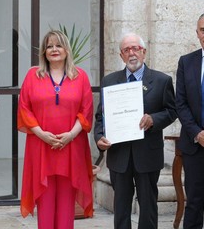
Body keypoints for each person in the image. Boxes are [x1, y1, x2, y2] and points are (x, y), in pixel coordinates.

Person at [94, 32, 177, 229]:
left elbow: (172, 111)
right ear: (121, 55)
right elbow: (100, 117)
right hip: (119, 155)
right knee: (121, 207)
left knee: (148, 206)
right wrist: (99, 137)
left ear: (144, 52)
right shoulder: (109, 81)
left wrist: (153, 120)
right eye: (126, 50)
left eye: (136, 49)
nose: (132, 53)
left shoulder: (161, 80)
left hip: (147, 154)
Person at [18, 30, 93, 229]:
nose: (54, 50)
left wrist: (71, 135)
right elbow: (24, 108)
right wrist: (42, 134)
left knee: (66, 203)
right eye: (49, 46)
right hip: (41, 146)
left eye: (58, 45)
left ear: (67, 50)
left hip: (71, 146)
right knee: (46, 199)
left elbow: (86, 110)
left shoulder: (81, 76)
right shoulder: (33, 76)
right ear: (44, 51)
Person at [175, 13, 204, 229]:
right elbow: (180, 103)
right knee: (194, 201)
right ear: (197, 33)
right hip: (194, 144)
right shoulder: (186, 62)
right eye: (202, 30)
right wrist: (197, 132)